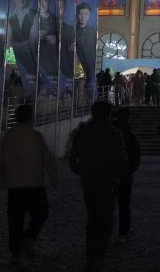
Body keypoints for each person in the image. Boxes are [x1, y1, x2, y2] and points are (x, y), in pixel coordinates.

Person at [68, 100, 128, 269]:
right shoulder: (114, 133)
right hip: (108, 182)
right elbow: (122, 160)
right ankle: (99, 252)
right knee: (105, 218)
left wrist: (82, 171)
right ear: (108, 114)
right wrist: (117, 175)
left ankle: (92, 251)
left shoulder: (84, 132)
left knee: (92, 217)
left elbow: (73, 158)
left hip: (89, 181)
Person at [0, 103, 57, 263]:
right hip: (34, 183)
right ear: (31, 117)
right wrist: (53, 177)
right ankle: (27, 238)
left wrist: (4, 177)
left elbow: (3, 159)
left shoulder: (9, 136)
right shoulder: (36, 136)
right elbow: (48, 158)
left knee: (15, 219)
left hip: (15, 185)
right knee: (40, 214)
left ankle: (16, 250)